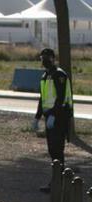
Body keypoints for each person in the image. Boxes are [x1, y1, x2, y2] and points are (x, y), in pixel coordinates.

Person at [36, 47, 73, 192]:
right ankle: (57, 181)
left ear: (53, 59)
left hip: (60, 118)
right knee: (53, 151)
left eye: (47, 58)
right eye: (42, 58)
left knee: (57, 151)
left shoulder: (59, 75)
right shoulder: (45, 76)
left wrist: (53, 115)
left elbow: (62, 98)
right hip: (50, 119)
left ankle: (59, 183)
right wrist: (37, 117)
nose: (44, 61)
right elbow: (42, 98)